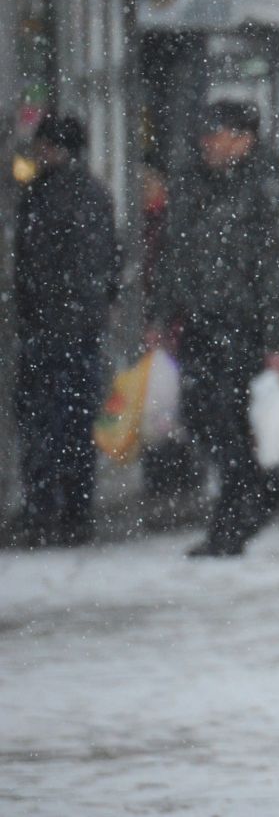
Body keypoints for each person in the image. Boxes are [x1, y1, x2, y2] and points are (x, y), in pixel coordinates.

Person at [150, 101, 279, 558]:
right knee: (205, 417)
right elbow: (174, 257)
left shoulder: (267, 186)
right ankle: (257, 491)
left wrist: (278, 338)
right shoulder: (194, 184)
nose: (207, 143)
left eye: (216, 133)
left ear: (244, 138)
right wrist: (161, 315)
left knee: (229, 422)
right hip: (201, 323)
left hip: (245, 327)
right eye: (204, 133)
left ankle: (234, 518)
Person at [12, 115, 120, 547]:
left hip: (57, 327)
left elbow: (52, 265)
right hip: (71, 326)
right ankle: (71, 510)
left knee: (50, 421)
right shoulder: (85, 194)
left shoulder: (49, 194)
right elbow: (102, 264)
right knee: (69, 421)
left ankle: (51, 509)